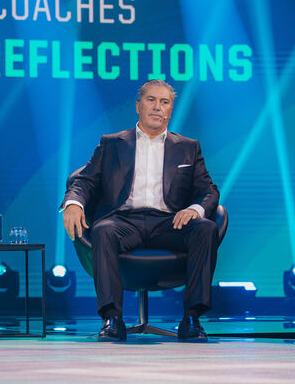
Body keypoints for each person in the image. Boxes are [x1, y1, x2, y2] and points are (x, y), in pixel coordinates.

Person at [62, 79, 220, 342]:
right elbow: (85, 180)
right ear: (138, 106)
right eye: (151, 100)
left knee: (206, 228)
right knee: (103, 231)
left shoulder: (188, 147)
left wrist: (194, 209)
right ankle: (112, 319)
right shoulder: (112, 143)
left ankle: (192, 318)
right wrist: (74, 203)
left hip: (169, 222)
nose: (157, 107)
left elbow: (209, 190)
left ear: (170, 110)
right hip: (125, 221)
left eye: (164, 102)